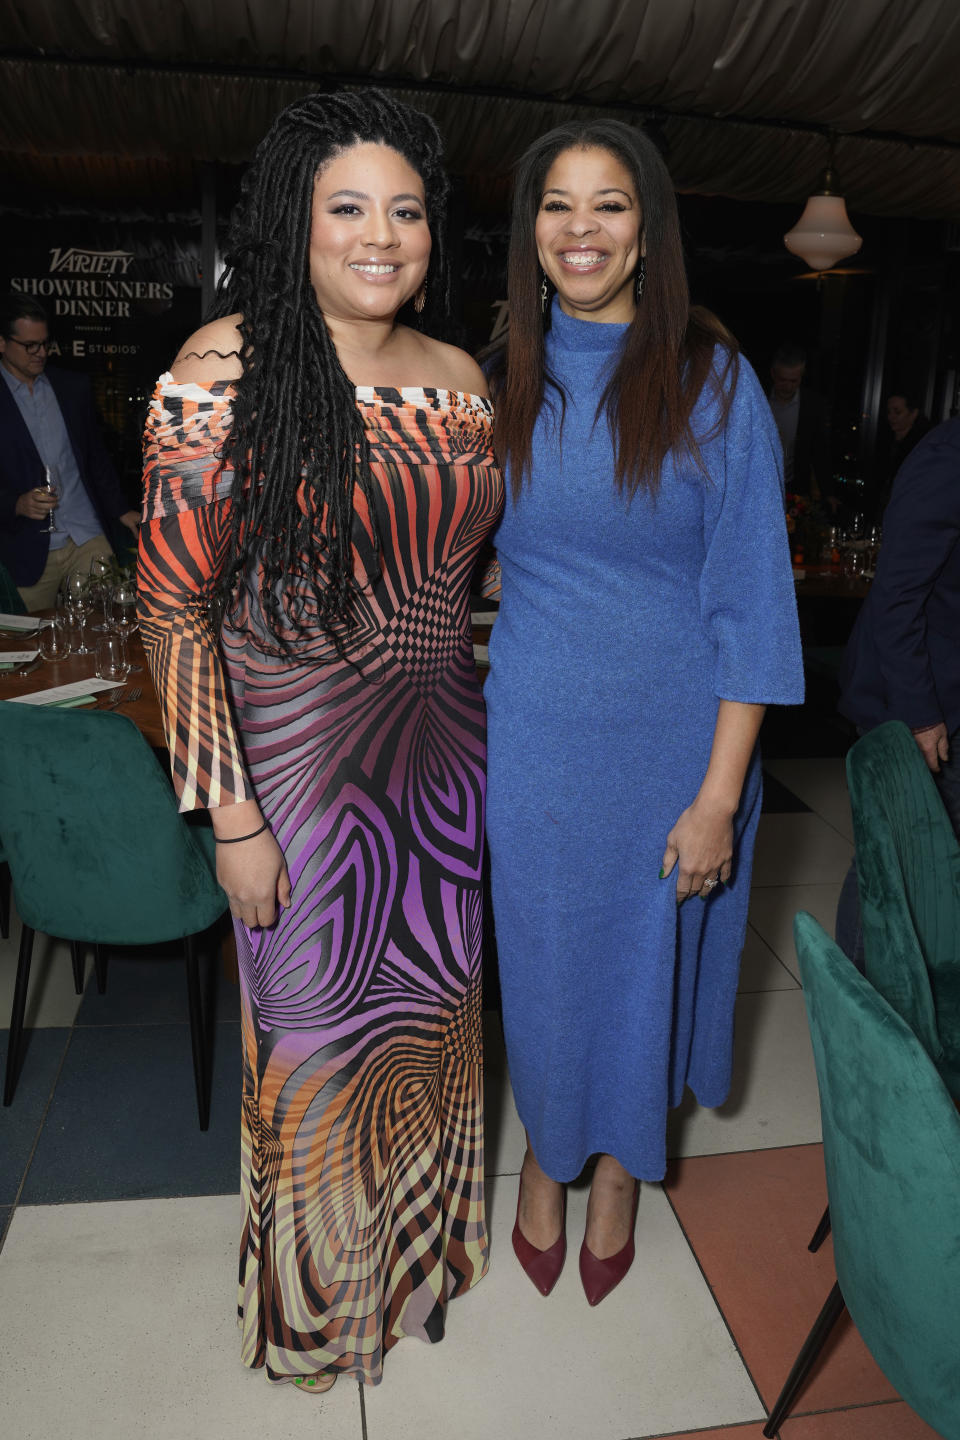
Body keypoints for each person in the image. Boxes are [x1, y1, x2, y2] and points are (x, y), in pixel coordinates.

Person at [137, 90, 501, 1389]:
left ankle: (419, 1264)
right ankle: (317, 1307)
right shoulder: (220, 366)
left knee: (434, 1034)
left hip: (444, 772)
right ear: (292, 222)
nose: (380, 234)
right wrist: (229, 816)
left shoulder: (460, 381)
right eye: (347, 206)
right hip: (294, 783)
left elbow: (459, 583)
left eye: (405, 210)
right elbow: (172, 608)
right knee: (312, 1058)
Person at [483, 120, 804, 1306]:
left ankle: (619, 1168)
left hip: (679, 747)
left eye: (608, 205)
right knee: (547, 960)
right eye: (556, 205)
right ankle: (545, 1158)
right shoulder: (500, 373)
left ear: (647, 230)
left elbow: (756, 612)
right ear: (530, 232)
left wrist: (720, 797)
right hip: (535, 739)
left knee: (649, 966)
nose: (580, 229)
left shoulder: (711, 382)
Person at [836, 419, 960, 963]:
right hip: (917, 700)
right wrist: (919, 717)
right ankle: (864, 1026)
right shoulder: (949, 457)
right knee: (893, 869)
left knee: (936, 868)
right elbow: (895, 597)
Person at [0, 294, 139, 610]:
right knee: (32, 643)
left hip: (85, 534)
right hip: (28, 548)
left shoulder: (71, 387)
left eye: (45, 344)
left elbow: (95, 457)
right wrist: (16, 504)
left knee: (105, 624)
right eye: (30, 345)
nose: (40, 353)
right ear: (2, 344)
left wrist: (119, 509)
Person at [767, 341, 833, 504]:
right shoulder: (759, 398)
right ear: (773, 374)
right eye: (783, 380)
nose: (788, 386)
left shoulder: (812, 405)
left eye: (794, 381)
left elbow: (820, 452)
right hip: (760, 485)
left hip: (795, 491)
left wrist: (829, 493)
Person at [875, 386, 932, 517]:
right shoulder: (884, 441)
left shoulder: (922, 447)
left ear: (913, 414)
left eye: (897, 412)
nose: (891, 417)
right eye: (888, 412)